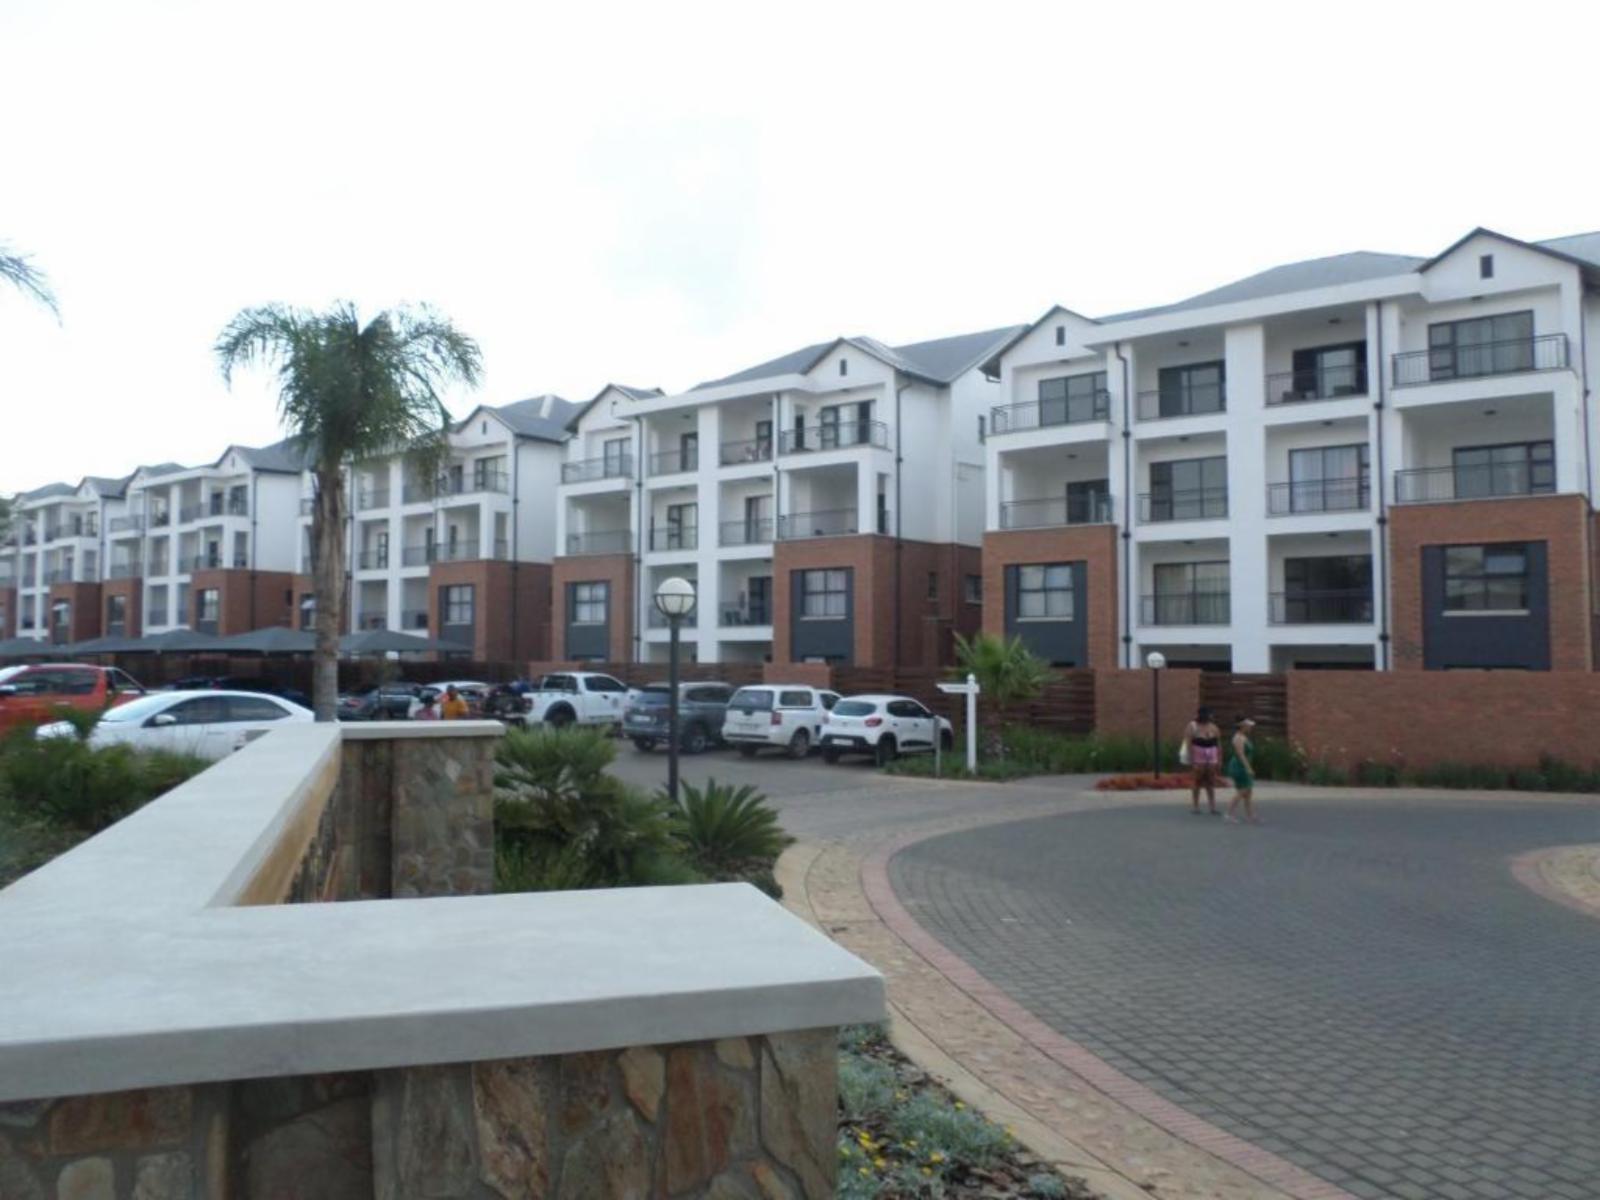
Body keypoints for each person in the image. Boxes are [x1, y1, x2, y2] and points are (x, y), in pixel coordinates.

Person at [1183, 706, 1223, 816]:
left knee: (1211, 781)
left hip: (1211, 756)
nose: (1211, 716)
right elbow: (1188, 744)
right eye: (1210, 714)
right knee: (1197, 781)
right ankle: (1195, 806)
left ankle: (1212, 806)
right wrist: (1192, 761)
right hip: (1198, 756)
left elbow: (1219, 745)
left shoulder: (1214, 727)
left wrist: (1220, 760)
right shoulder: (1192, 726)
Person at [1226, 717, 1259, 824]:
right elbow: (1241, 754)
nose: (1250, 728)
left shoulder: (1244, 737)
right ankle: (1229, 814)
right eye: (1248, 726)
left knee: (1248, 791)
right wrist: (1248, 768)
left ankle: (1250, 816)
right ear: (1242, 726)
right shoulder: (1238, 738)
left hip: (1244, 765)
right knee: (1242, 790)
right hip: (1239, 767)